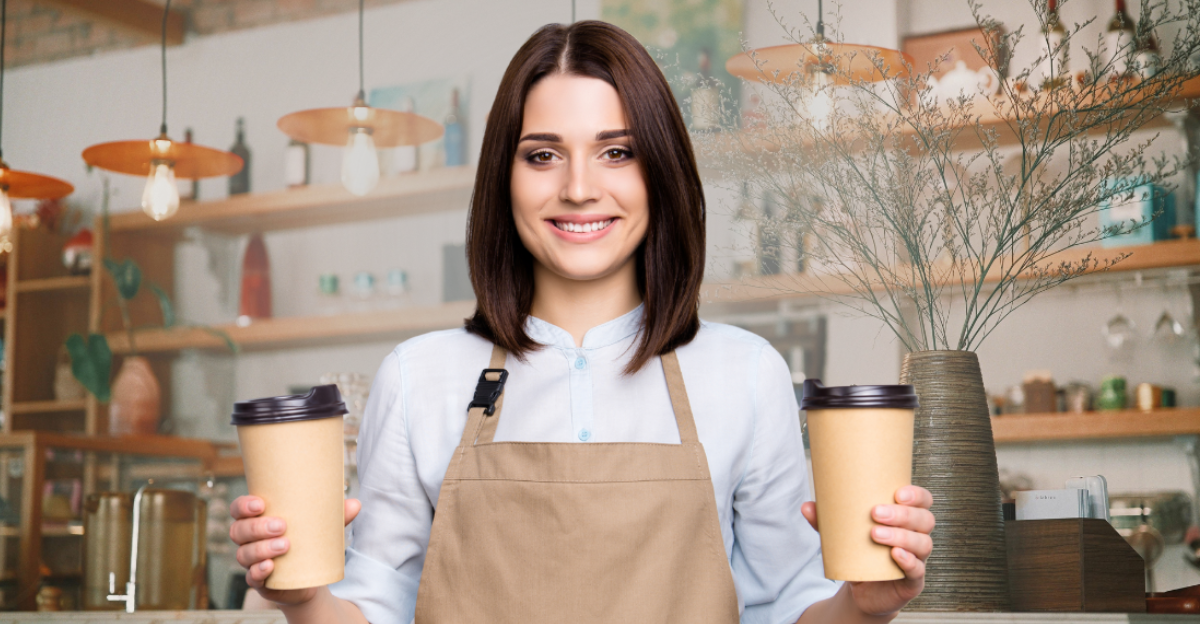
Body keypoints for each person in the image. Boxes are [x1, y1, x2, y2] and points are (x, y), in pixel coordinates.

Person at [229, 20, 934, 624]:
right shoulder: (420, 376)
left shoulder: (745, 374)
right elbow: (377, 605)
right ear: (504, 180)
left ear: (660, 170)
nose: (577, 187)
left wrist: (861, 607)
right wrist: (301, 598)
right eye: (542, 155)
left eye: (616, 151)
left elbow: (787, 606)